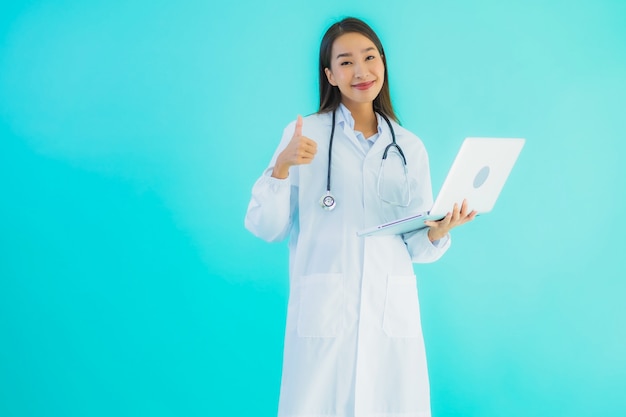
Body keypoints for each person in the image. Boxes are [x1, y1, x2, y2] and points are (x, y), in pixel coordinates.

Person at [245, 17, 475, 417]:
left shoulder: (408, 146)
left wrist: (439, 232)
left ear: (383, 64)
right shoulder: (305, 135)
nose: (361, 71)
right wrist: (281, 167)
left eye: (369, 57)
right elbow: (267, 227)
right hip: (325, 315)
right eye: (346, 62)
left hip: (390, 317)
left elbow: (416, 246)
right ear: (330, 74)